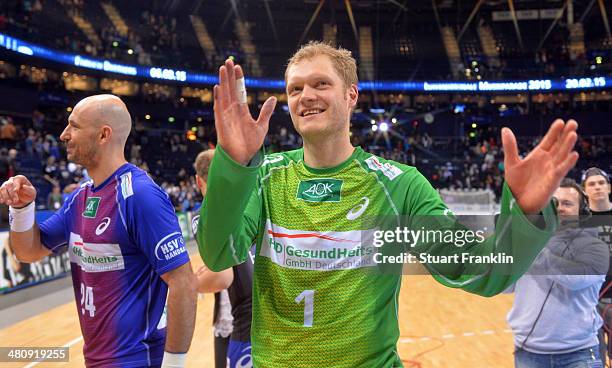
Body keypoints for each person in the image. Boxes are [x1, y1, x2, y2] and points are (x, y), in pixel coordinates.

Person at [198, 42, 579, 367]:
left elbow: (479, 271)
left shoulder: (399, 184)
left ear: (351, 94)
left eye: (320, 84)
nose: (305, 96)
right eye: (295, 88)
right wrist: (233, 165)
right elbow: (219, 253)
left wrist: (526, 214)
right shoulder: (265, 176)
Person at [0, 94, 197, 368]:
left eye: (74, 126)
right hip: (96, 360)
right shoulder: (79, 198)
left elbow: (184, 284)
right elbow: (28, 251)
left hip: (138, 360)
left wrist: (174, 364)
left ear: (104, 135)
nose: (63, 135)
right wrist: (22, 209)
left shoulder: (139, 195)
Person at [507, 178, 608, 368]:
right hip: (528, 353)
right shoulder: (529, 246)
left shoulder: (596, 247)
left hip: (580, 354)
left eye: (567, 204)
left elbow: (573, 279)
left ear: (581, 213)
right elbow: (506, 286)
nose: (559, 208)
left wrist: (529, 245)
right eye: (553, 203)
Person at [192, 149, 254, 368]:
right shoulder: (253, 202)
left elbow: (222, 277)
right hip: (275, 325)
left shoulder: (205, 215)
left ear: (198, 181)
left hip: (244, 327)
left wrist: (187, 283)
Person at [581, 167, 612, 360]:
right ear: (585, 191)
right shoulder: (578, 222)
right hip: (589, 302)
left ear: (609, 187)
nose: (597, 187)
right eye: (592, 184)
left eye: (601, 183)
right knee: (594, 360)